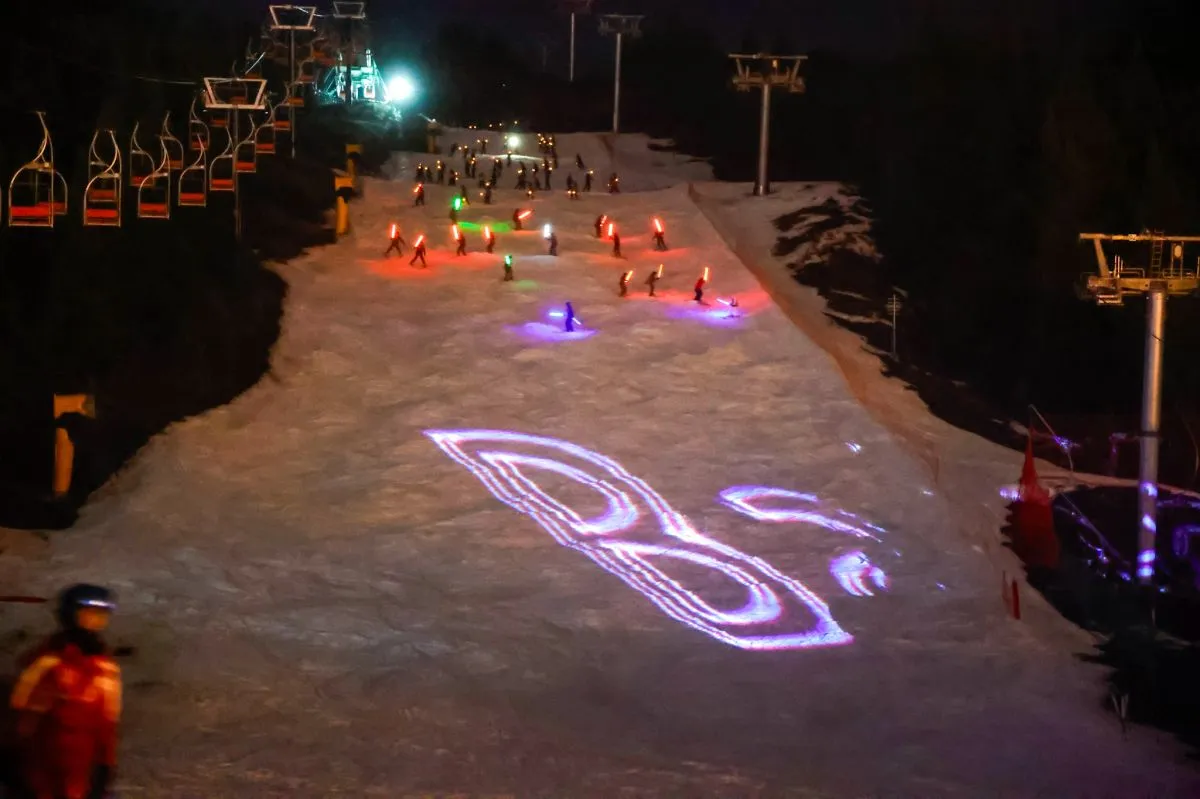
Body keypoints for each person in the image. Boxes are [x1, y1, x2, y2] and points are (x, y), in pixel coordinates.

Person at [9, 584, 121, 799]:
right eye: (88, 613)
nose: (95, 620)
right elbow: (23, 717)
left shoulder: (104, 666)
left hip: (83, 773)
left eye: (101, 614)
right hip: (44, 772)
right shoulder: (49, 663)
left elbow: (107, 722)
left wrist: (105, 766)